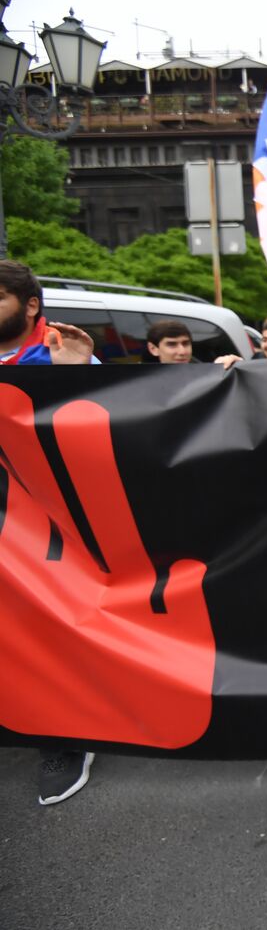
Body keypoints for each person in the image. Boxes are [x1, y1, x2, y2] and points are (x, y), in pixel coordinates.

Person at [0, 259, 100, 805]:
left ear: (30, 305)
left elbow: (101, 438)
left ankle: (64, 735)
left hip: (44, 532)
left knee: (47, 628)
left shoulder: (63, 353)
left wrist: (77, 374)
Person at [146, 320, 240, 369]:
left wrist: (237, 365)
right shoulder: (141, 382)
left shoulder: (205, 376)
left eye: (186, 343)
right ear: (153, 349)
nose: (182, 351)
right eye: (172, 344)